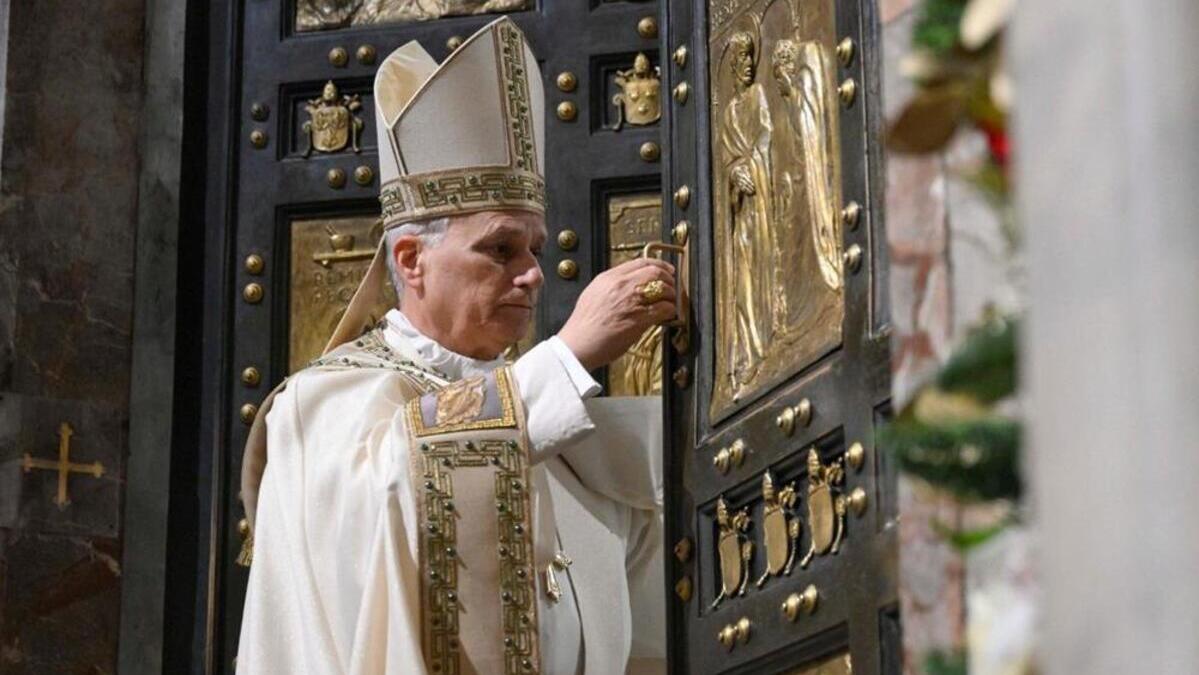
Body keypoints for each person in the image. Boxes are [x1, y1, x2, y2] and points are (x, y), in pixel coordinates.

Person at [236, 18, 674, 674]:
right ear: (411, 259)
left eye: (534, 247)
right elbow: (389, 495)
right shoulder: (323, 403)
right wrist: (568, 356)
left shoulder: (562, 437)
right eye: (499, 248)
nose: (530, 272)